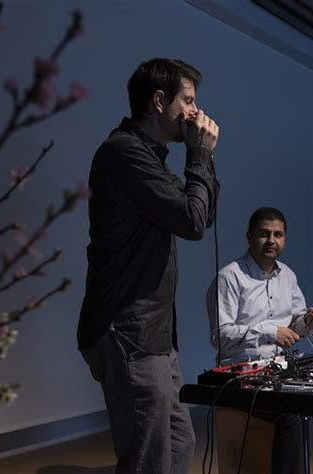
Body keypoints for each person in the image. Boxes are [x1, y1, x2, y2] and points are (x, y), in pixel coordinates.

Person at [78, 58, 219, 474]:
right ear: (160, 101)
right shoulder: (123, 154)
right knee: (150, 459)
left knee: (177, 443)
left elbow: (202, 214)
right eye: (189, 101)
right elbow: (192, 221)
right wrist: (198, 155)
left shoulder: (151, 159)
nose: (196, 112)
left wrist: (204, 158)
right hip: (129, 331)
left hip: (153, 333)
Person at [206, 207, 313, 474]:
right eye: (264, 234)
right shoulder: (230, 277)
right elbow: (220, 336)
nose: (271, 240)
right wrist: (270, 332)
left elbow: (295, 325)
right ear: (249, 237)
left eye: (278, 234)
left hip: (281, 370)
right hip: (243, 380)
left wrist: (307, 322)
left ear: (285, 239)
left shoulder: (288, 276)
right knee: (290, 413)